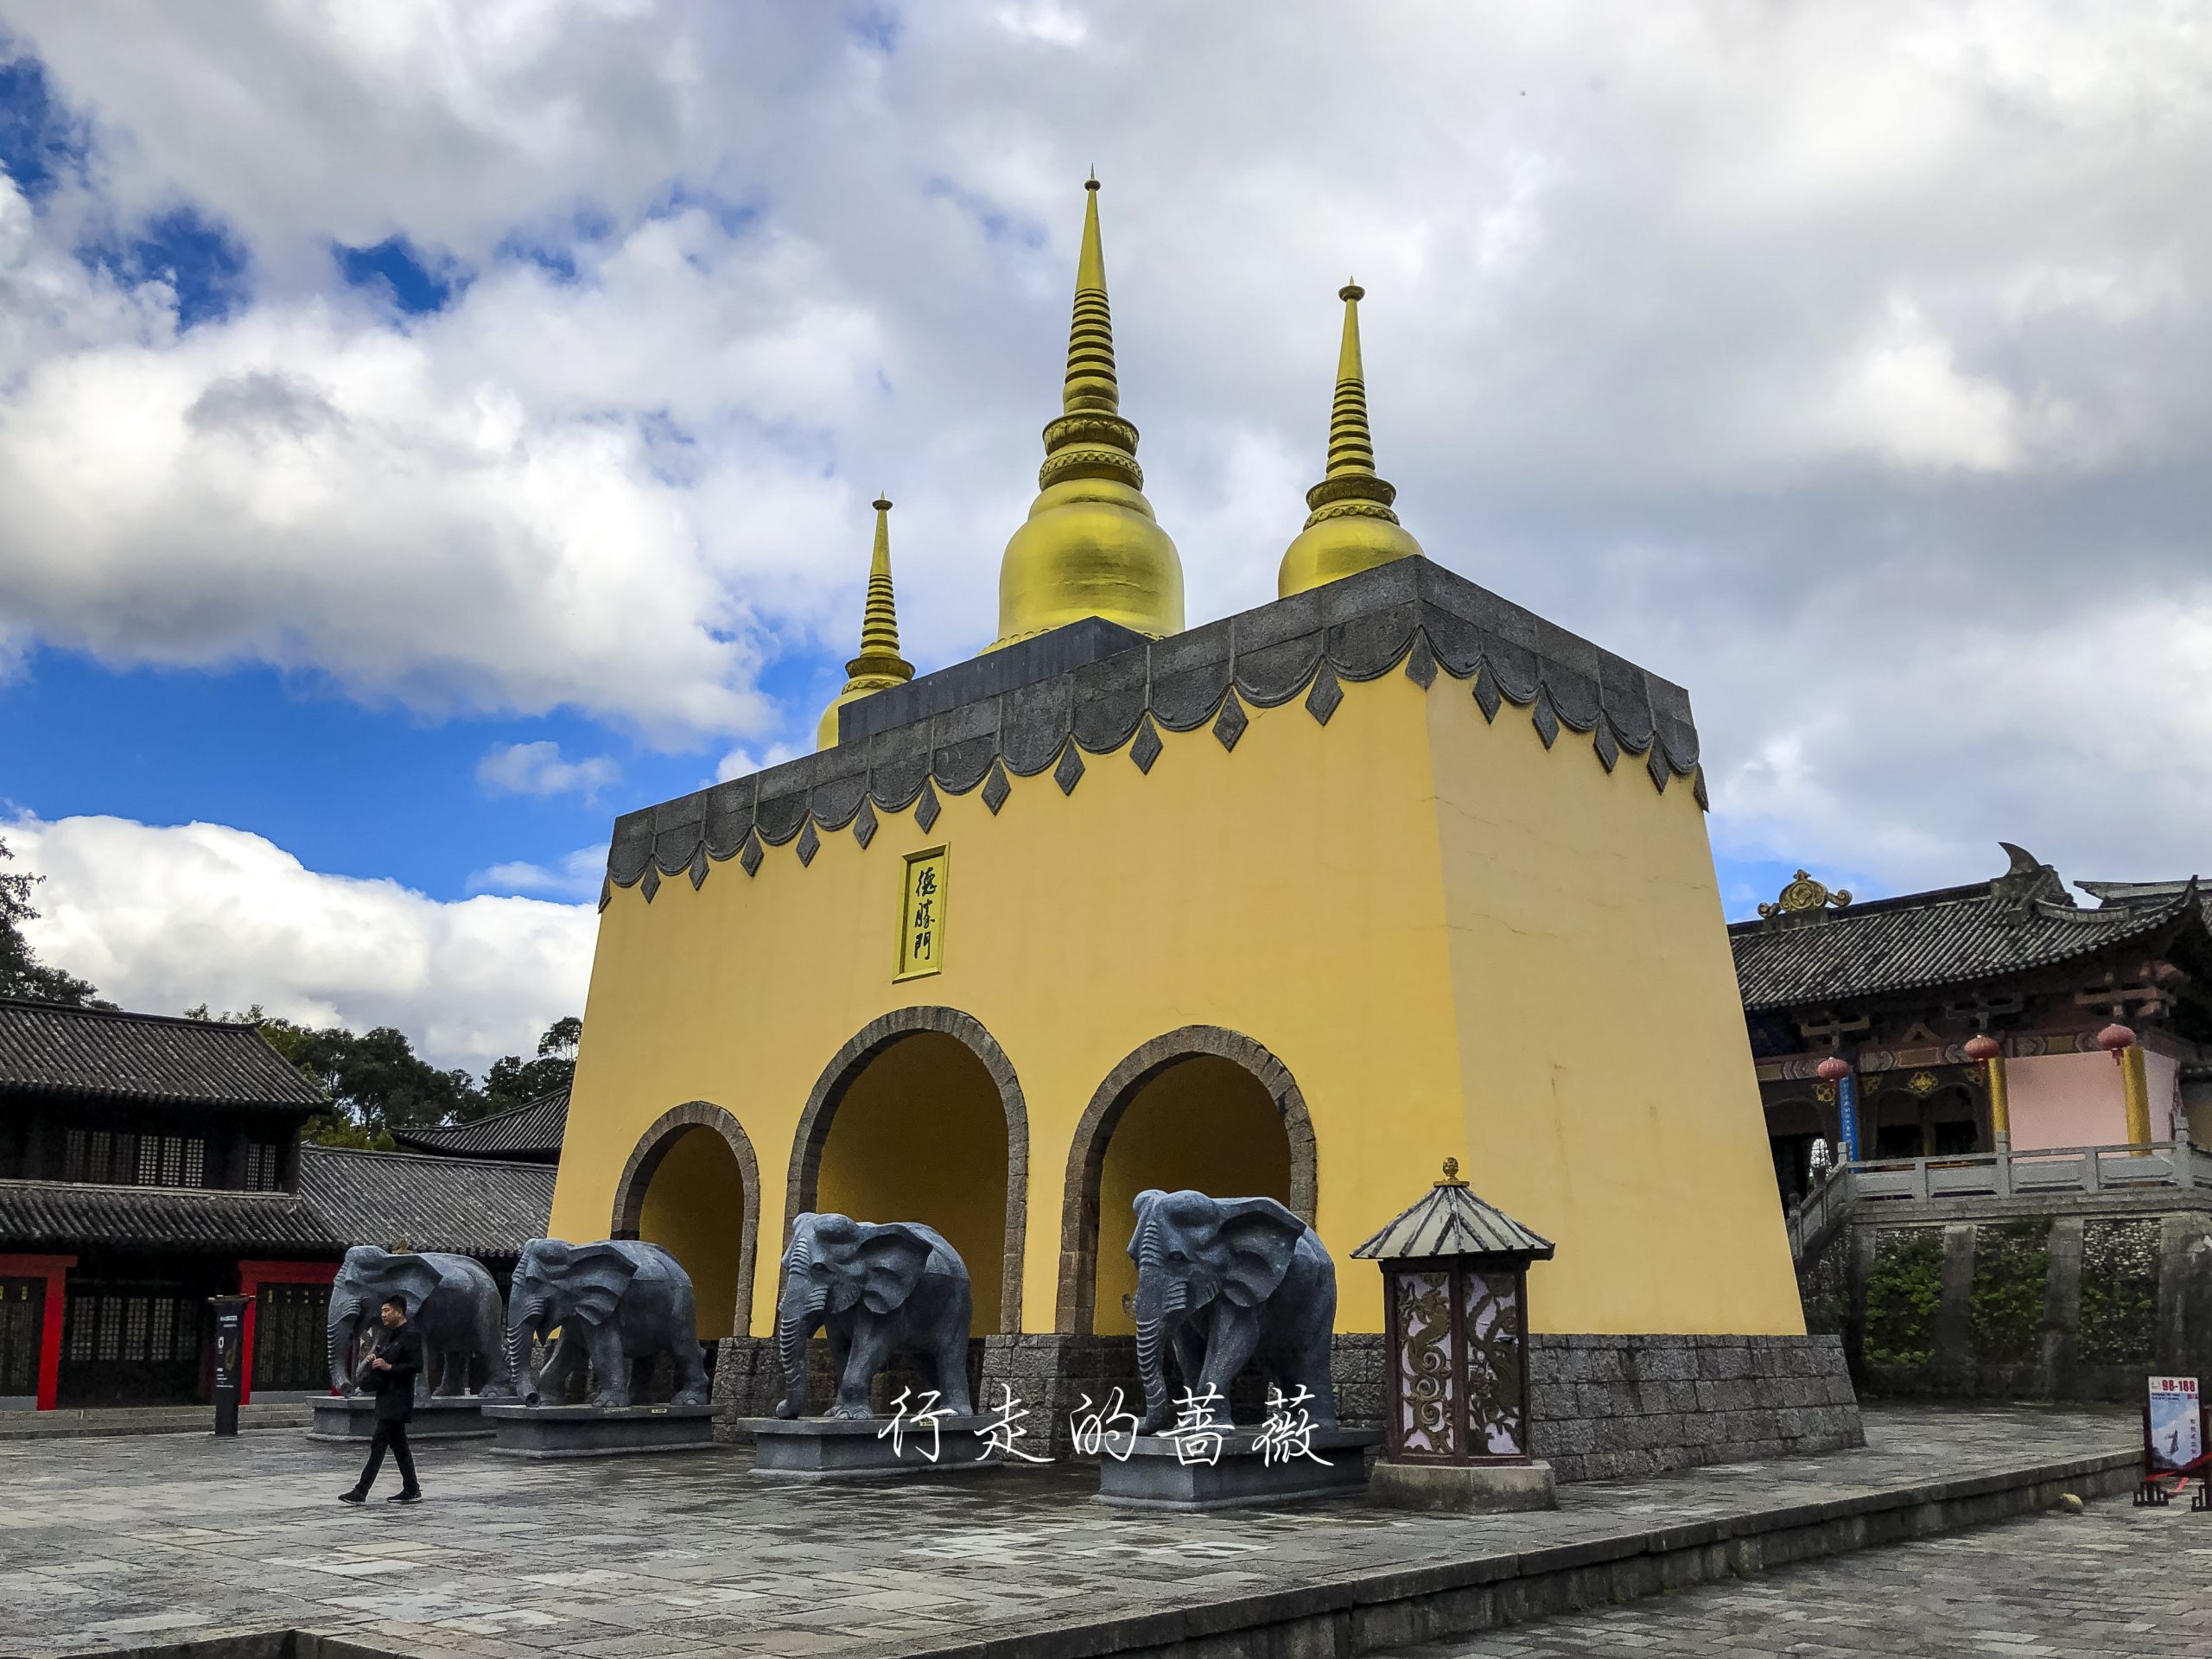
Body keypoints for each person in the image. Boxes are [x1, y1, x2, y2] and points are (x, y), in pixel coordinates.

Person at [340, 1294, 423, 1504]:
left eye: (387, 1311)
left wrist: (389, 1367)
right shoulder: (389, 1337)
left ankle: (361, 1491)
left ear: (400, 1312)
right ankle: (412, 1489)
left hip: (398, 1400)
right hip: (386, 1398)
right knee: (399, 1447)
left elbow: (417, 1366)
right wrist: (375, 1361)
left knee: (378, 1445)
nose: (383, 1315)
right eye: (382, 1311)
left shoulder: (411, 1335)